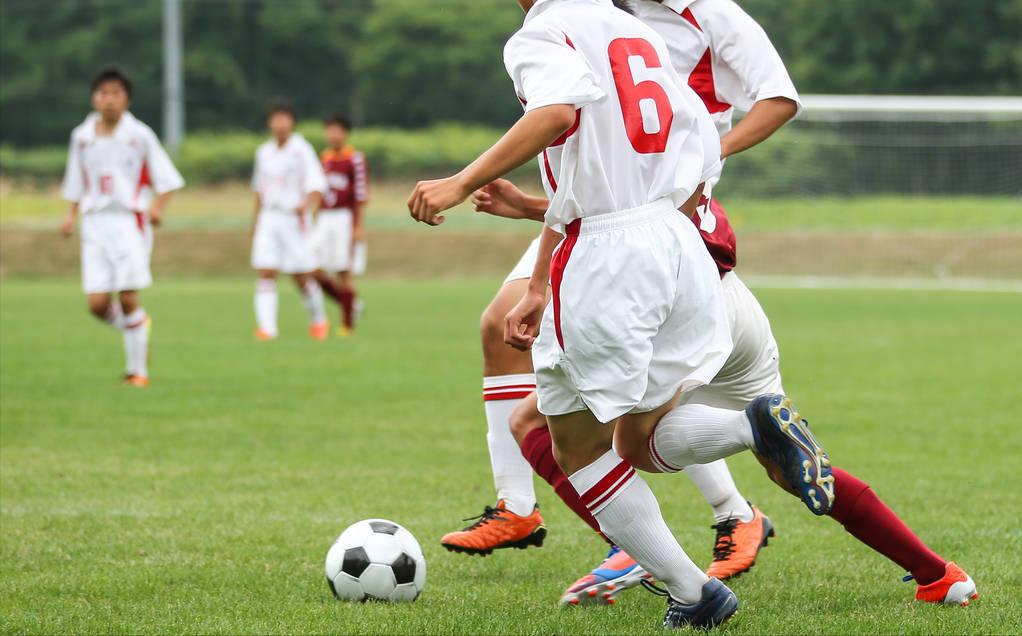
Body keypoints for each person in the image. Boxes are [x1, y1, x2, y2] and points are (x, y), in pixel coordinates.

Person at [466, 0, 978, 611]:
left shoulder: (601, 36)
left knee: (564, 434)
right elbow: (673, 173)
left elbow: (597, 180)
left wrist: (476, 192)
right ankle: (939, 575)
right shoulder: (649, 51)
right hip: (720, 291)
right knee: (787, 459)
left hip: (655, 285)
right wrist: (535, 217)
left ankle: (653, 557)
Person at [409, 0, 833, 627]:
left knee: (570, 442)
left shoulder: (541, 34)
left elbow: (556, 114)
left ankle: (698, 582)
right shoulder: (635, 30)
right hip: (680, 240)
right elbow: (693, 146)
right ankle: (751, 443)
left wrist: (459, 182)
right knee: (638, 438)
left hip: (609, 258)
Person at [60, 68, 184, 388]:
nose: (110, 100)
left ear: (127, 99)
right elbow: (76, 180)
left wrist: (157, 208)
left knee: (128, 296)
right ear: (94, 98)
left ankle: (137, 372)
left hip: (129, 221)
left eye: (116, 93)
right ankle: (138, 328)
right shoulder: (82, 136)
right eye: (103, 93)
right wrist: (70, 215)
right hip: (95, 224)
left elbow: (167, 179)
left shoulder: (139, 135)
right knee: (97, 304)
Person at [250, 101, 329, 341]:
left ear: (292, 122)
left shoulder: (301, 149)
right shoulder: (264, 152)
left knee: (300, 275)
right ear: (269, 123)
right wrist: (255, 222)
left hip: (293, 218)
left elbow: (317, 184)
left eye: (284, 118)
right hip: (269, 216)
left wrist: (309, 207)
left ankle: (318, 319)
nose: (280, 124)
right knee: (266, 270)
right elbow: (258, 189)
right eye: (275, 119)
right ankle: (267, 328)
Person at [313, 114, 369, 336]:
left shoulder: (354, 159)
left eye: (337, 130)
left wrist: (358, 226)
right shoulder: (323, 159)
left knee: (344, 271)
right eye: (329, 130)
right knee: (312, 268)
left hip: (345, 218)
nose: (333, 135)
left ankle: (347, 325)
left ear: (345, 133)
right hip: (325, 218)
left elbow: (361, 195)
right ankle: (352, 304)